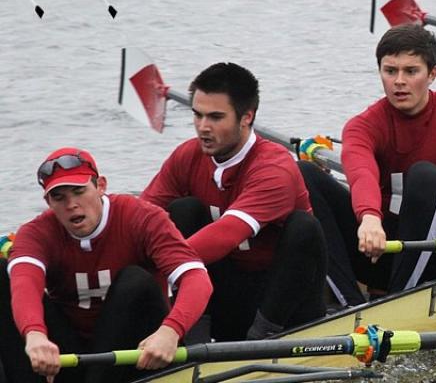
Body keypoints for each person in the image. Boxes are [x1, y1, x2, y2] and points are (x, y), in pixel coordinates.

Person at [300, 24, 436, 303]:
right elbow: (362, 175)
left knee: (424, 175)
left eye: (411, 72)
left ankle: (394, 301)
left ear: (432, 74)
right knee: (301, 174)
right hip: (383, 250)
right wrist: (370, 218)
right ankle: (348, 303)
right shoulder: (361, 127)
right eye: (390, 71)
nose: (399, 81)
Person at [140, 62, 327, 342]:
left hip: (284, 301)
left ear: (246, 117)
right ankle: (192, 337)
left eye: (215, 117)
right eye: (198, 115)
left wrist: (161, 268)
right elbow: (141, 217)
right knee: (183, 211)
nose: (203, 128)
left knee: (304, 227)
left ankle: (262, 339)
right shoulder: (187, 156)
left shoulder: (274, 168)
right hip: (229, 293)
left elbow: (225, 235)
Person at [0, 147, 212, 383]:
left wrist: (171, 330)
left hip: (141, 351)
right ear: (47, 201)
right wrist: (35, 335)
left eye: (79, 191)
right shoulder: (36, 233)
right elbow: (24, 284)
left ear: (101, 186)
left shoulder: (142, 217)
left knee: (135, 280)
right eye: (59, 197)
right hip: (70, 354)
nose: (71, 205)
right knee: (2, 272)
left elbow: (196, 278)